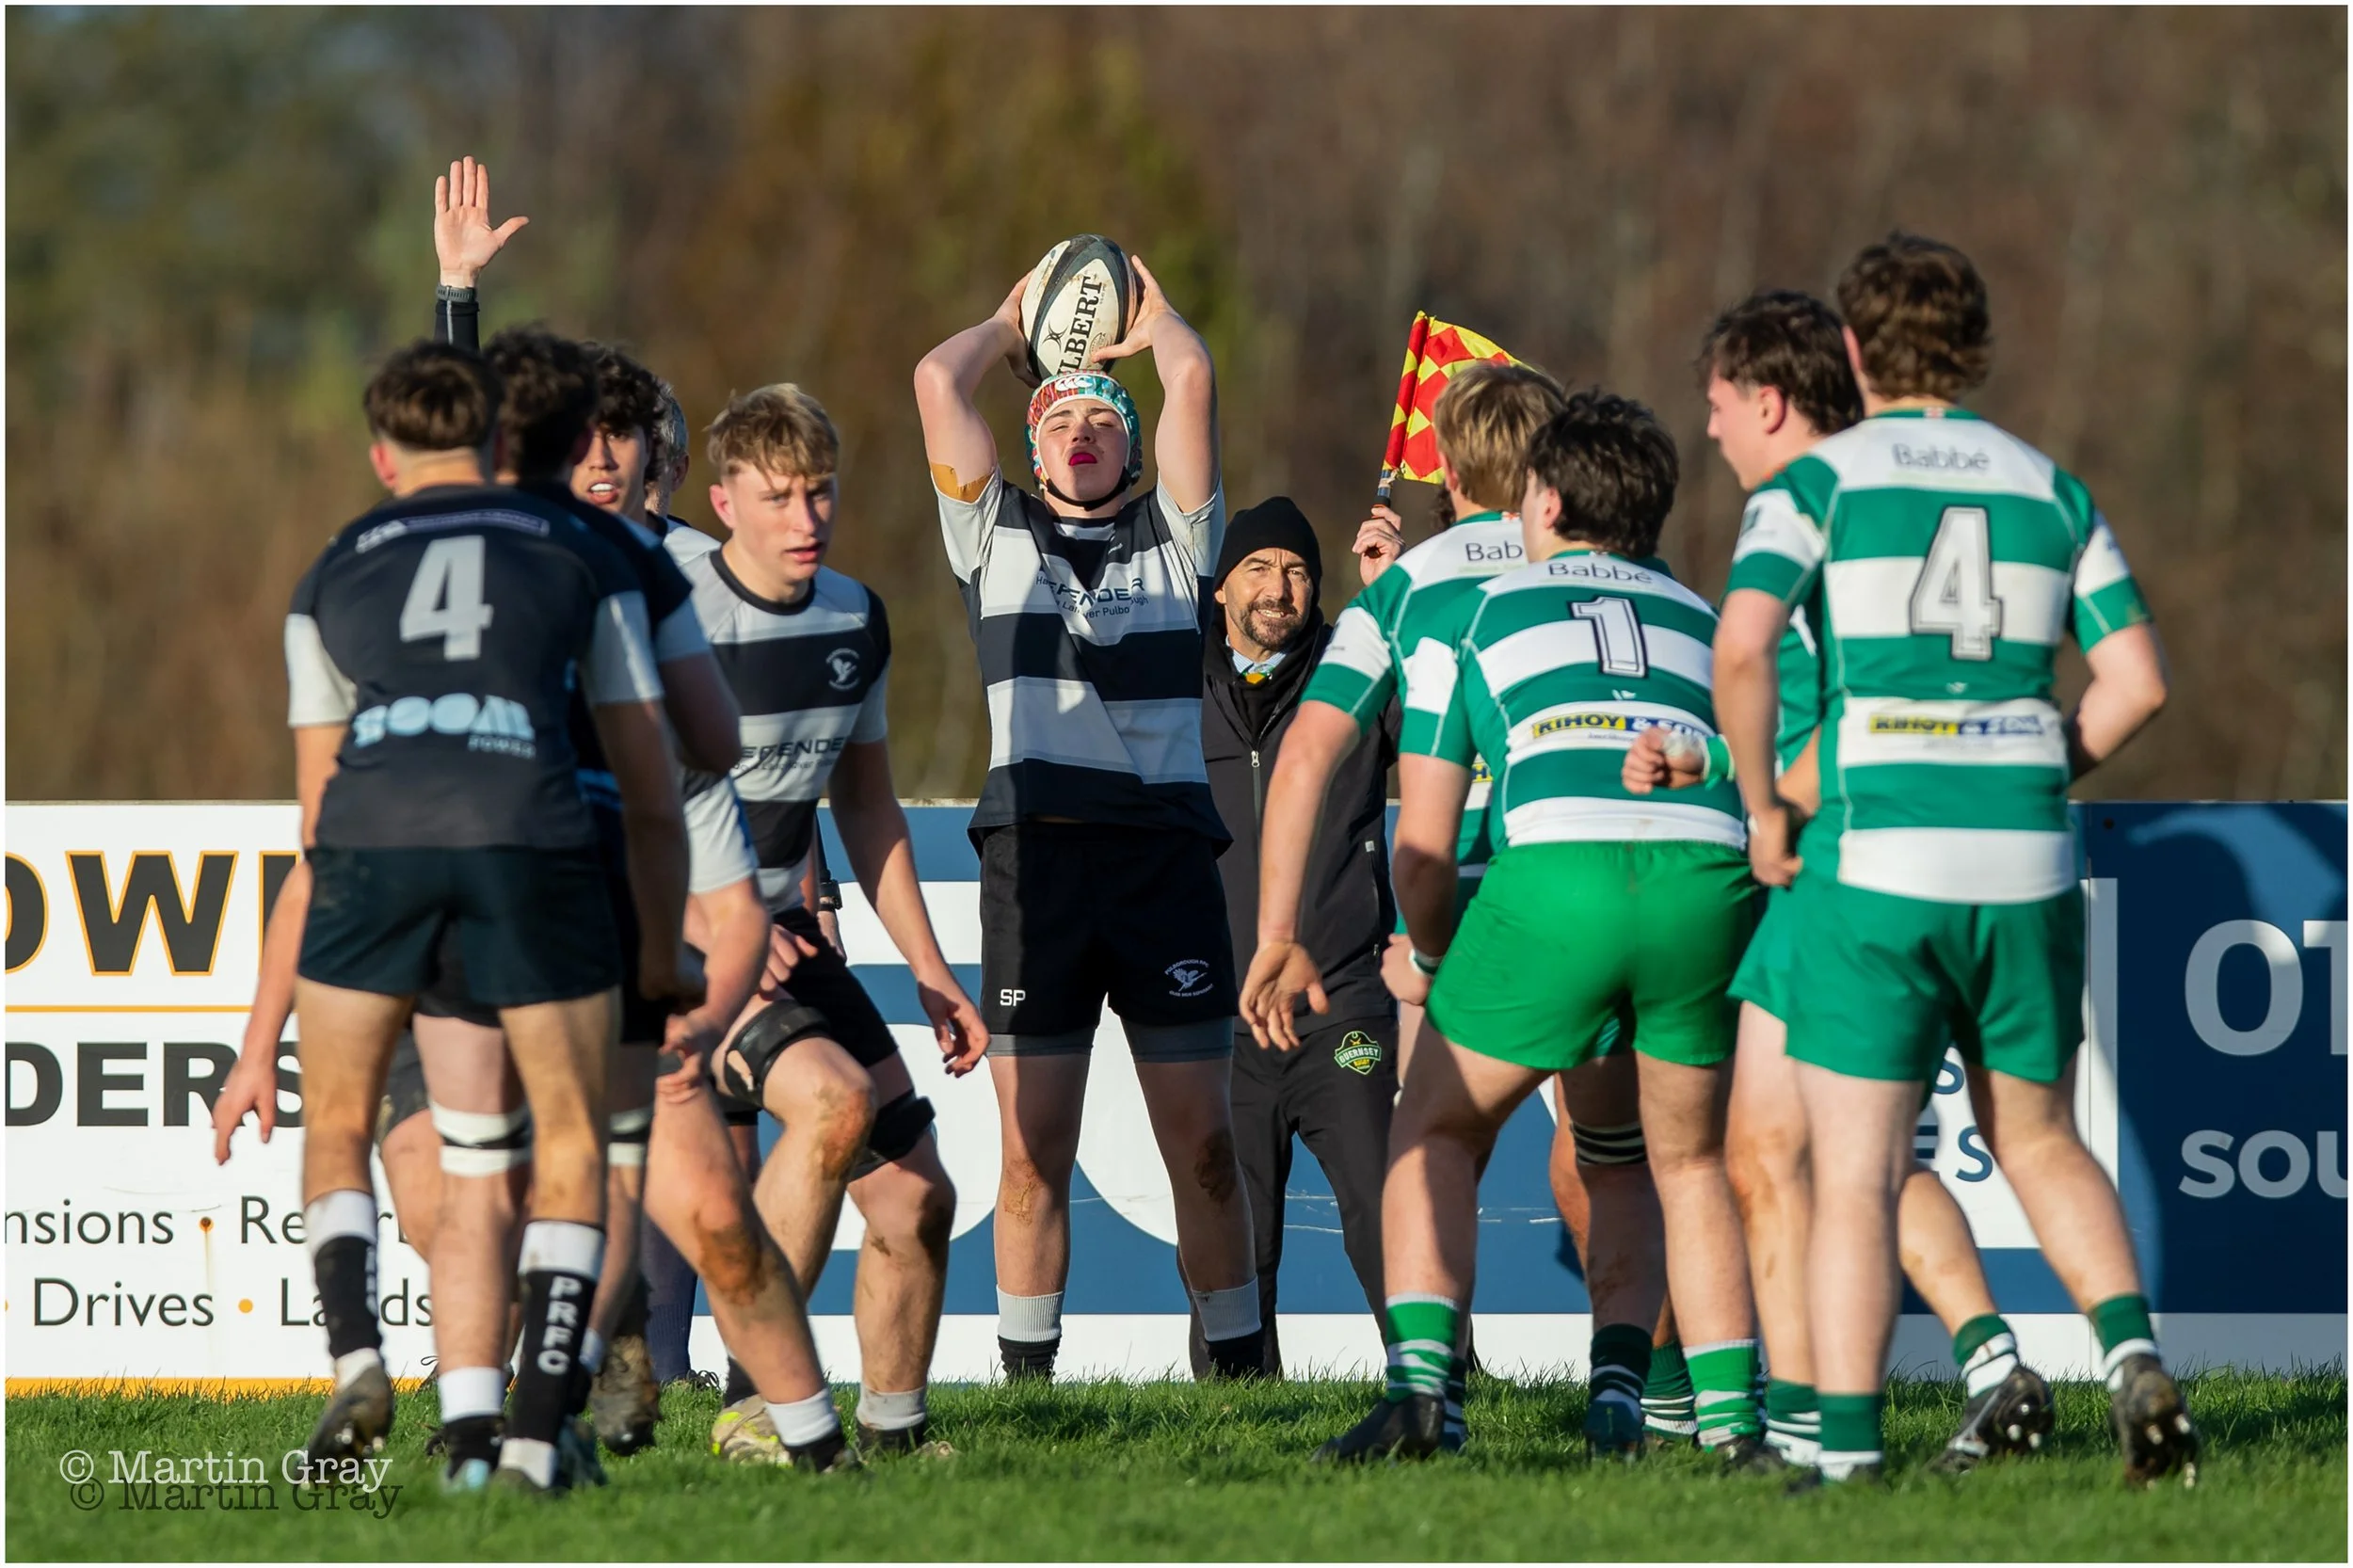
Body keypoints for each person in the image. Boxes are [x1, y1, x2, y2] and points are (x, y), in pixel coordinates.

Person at [1712, 232, 2193, 1488]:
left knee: (1859, 1171)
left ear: (1856, 349)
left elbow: (1746, 650)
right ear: (1975, 346)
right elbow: (2138, 681)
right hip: (2029, 855)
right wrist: (2032, 765)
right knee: (2035, 1137)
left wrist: (1764, 807)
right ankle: (2134, 1358)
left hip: (1881, 857)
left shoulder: (1818, 483)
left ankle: (1847, 1460)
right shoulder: (2051, 486)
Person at [1625, 287, 2056, 1474]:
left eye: (1718, 407)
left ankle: (1818, 1434)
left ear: (1767, 400)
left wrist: (1763, 800)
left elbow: (1861, 716)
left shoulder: (1816, 511)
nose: (1708, 431)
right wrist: (1712, 757)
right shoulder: (1874, 496)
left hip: (1844, 875)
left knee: (1778, 1155)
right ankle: (1980, 1367)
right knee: (1831, 1154)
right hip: (1871, 858)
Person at [260, 339, 693, 1493]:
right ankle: (536, 1434)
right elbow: (662, 776)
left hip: (372, 841)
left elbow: (314, 814)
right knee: (576, 1144)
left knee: (348, 1125)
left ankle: (361, 1354)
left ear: (382, 457)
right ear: (510, 444)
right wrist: (659, 946)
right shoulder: (588, 547)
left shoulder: (336, 562)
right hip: (534, 835)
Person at [1314, 389, 1770, 1470]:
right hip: (1707, 877)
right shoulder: (1702, 616)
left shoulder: (1484, 611)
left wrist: (1429, 958)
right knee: (1683, 1161)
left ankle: (1424, 1395)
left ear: (1549, 498)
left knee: (1434, 1133)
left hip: (1559, 870)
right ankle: (1727, 1426)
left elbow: (1422, 843)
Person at [1240, 362, 1673, 1450]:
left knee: (1434, 1142)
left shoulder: (1409, 586)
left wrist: (1279, 932)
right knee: (1613, 1153)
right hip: (1620, 868)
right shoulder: (1622, 574)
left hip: (1469, 887)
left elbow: (1307, 754)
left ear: (1445, 460)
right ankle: (1641, 1382)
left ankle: (1433, 1387)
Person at [914, 256, 1261, 1380]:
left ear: (1131, 445)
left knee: (1204, 1150)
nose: (1078, 431)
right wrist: (1011, 321)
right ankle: (1028, 1390)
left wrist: (1156, 325)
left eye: (1100, 418)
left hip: (1162, 863)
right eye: (1056, 415)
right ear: (1031, 444)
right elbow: (934, 381)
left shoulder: (1179, 535)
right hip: (1037, 862)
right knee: (1029, 1157)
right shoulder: (991, 534)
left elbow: (1193, 379)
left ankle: (1242, 1372)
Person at [683, 382, 982, 1460]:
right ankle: (762, 1401)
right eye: (777, 498)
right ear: (722, 502)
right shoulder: (678, 623)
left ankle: (894, 1433)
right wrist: (718, 920)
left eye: (820, 493)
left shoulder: (855, 615)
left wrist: (933, 972)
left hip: (783, 937)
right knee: (831, 1104)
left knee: (916, 1197)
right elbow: (616, 802)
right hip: (679, 943)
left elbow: (865, 803)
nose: (805, 519)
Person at [1196, 496, 1397, 1378]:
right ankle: (1237, 1402)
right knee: (1235, 1228)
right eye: (1259, 568)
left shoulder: (1352, 674)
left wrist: (1395, 599)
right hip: (1220, 1020)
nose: (1282, 587)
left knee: (1381, 1204)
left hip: (1343, 1007)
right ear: (1219, 589)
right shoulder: (1176, 686)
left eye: (1300, 570)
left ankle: (1435, 1379)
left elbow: (1438, 719)